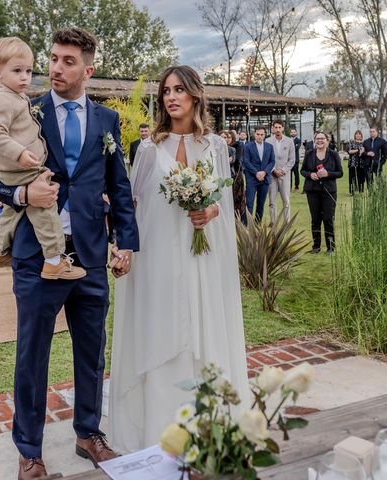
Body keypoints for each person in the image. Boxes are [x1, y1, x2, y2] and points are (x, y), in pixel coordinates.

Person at [0, 27, 138, 479]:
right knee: (32, 355)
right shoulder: (22, 107)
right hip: (36, 258)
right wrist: (25, 196)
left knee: (92, 352)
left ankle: (89, 433)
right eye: (52, 58)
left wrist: (124, 242)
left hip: (87, 256)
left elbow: (118, 188)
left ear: (88, 69)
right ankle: (29, 449)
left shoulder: (106, 121)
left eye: (68, 61)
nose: (55, 68)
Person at [109, 65, 249, 453]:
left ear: (195, 96)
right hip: (161, 257)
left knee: (201, 329)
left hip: (201, 257)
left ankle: (206, 423)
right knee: (165, 327)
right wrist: (124, 249)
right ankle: (161, 425)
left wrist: (210, 213)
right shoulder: (150, 149)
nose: (171, 97)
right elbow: (134, 208)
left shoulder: (216, 147)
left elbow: (223, 201)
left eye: (179, 90)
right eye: (166, 91)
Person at [0, 36, 86, 281]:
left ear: (87, 71)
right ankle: (53, 259)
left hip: (88, 245)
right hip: (18, 170)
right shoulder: (3, 99)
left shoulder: (18, 98)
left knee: (10, 210)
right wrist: (23, 192)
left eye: (28, 71)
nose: (25, 77)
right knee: (45, 205)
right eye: (17, 71)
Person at [301, 132, 343, 254]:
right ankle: (316, 247)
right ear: (314, 140)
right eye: (317, 138)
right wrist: (310, 174)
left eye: (322, 138)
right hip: (312, 191)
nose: (319, 141)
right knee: (315, 219)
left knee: (328, 219)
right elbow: (302, 170)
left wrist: (328, 174)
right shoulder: (309, 154)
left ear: (327, 140)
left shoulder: (333, 154)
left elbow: (340, 173)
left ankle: (330, 247)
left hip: (328, 191)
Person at [242, 126, 275, 222]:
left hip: (265, 179)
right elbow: (246, 161)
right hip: (252, 179)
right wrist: (256, 173)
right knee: (249, 203)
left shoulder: (269, 147)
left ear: (265, 135)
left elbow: (272, 162)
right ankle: (246, 226)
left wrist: (264, 172)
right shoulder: (247, 146)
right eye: (258, 134)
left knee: (261, 204)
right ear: (254, 134)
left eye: (262, 134)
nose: (260, 136)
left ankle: (257, 225)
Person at [266, 119, 295, 224]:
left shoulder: (289, 141)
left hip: (284, 175)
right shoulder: (268, 141)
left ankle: (287, 222)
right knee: (272, 201)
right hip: (272, 175)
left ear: (283, 128)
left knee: (286, 200)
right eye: (276, 127)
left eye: (279, 127)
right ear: (272, 128)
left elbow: (292, 159)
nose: (277, 129)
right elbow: (266, 159)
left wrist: (283, 170)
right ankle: (273, 222)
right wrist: (273, 170)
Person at [229, 129, 246, 220]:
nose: (227, 139)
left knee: (238, 197)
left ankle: (238, 217)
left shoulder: (238, 145)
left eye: (230, 137)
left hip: (236, 174)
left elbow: (238, 161)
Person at [346, 130, 366, 195]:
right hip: (352, 162)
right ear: (355, 135)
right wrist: (357, 150)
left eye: (359, 134)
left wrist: (362, 151)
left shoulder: (364, 143)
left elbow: (365, 152)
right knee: (352, 177)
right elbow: (349, 151)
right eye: (356, 134)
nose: (358, 135)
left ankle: (361, 191)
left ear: (361, 135)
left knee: (361, 177)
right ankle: (352, 191)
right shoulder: (351, 142)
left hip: (361, 162)